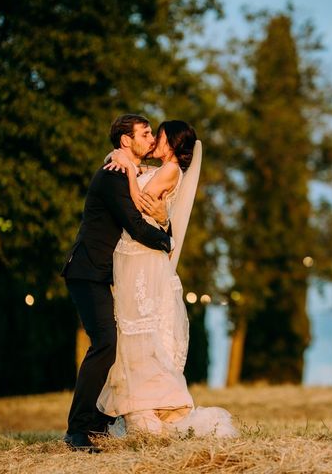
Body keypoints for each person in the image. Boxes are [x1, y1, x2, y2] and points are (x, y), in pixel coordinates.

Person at [97, 120, 236, 438]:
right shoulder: (157, 167)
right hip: (131, 254)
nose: (153, 140)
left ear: (171, 143)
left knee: (141, 326)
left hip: (144, 258)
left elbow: (137, 203)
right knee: (130, 327)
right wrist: (124, 160)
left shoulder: (171, 169)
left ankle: (155, 404)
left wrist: (130, 173)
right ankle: (139, 405)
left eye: (157, 136)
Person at [61, 114, 174, 451]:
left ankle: (96, 423)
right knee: (106, 343)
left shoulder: (126, 171)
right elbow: (135, 225)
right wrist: (168, 241)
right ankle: (79, 430)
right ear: (126, 140)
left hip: (100, 273)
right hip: (86, 271)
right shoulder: (113, 175)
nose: (152, 138)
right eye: (145, 133)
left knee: (112, 343)